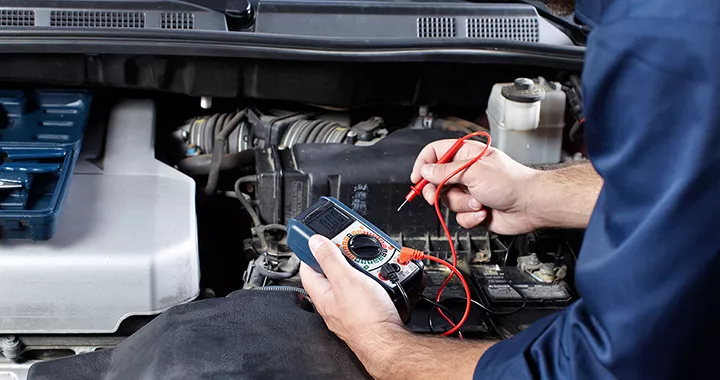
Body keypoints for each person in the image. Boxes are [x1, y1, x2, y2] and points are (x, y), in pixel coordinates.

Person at [300, 0, 720, 378]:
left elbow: (606, 367)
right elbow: (696, 191)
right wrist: (536, 192)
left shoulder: (663, 36)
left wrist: (381, 344)